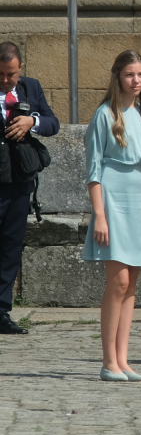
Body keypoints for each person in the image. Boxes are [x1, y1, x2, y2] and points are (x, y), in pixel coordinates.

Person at [83, 50, 141, 381]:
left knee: (131, 284)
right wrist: (99, 215)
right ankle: (107, 362)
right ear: (118, 76)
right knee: (116, 282)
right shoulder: (104, 115)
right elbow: (94, 172)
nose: (136, 81)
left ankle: (123, 359)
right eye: (130, 74)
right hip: (113, 202)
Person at [0, 41, 59, 336]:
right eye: (0, 74)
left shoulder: (30, 88)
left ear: (20, 68)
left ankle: (1, 312)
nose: (5, 80)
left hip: (20, 181)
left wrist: (31, 121)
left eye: (10, 74)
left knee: (11, 248)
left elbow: (53, 122)